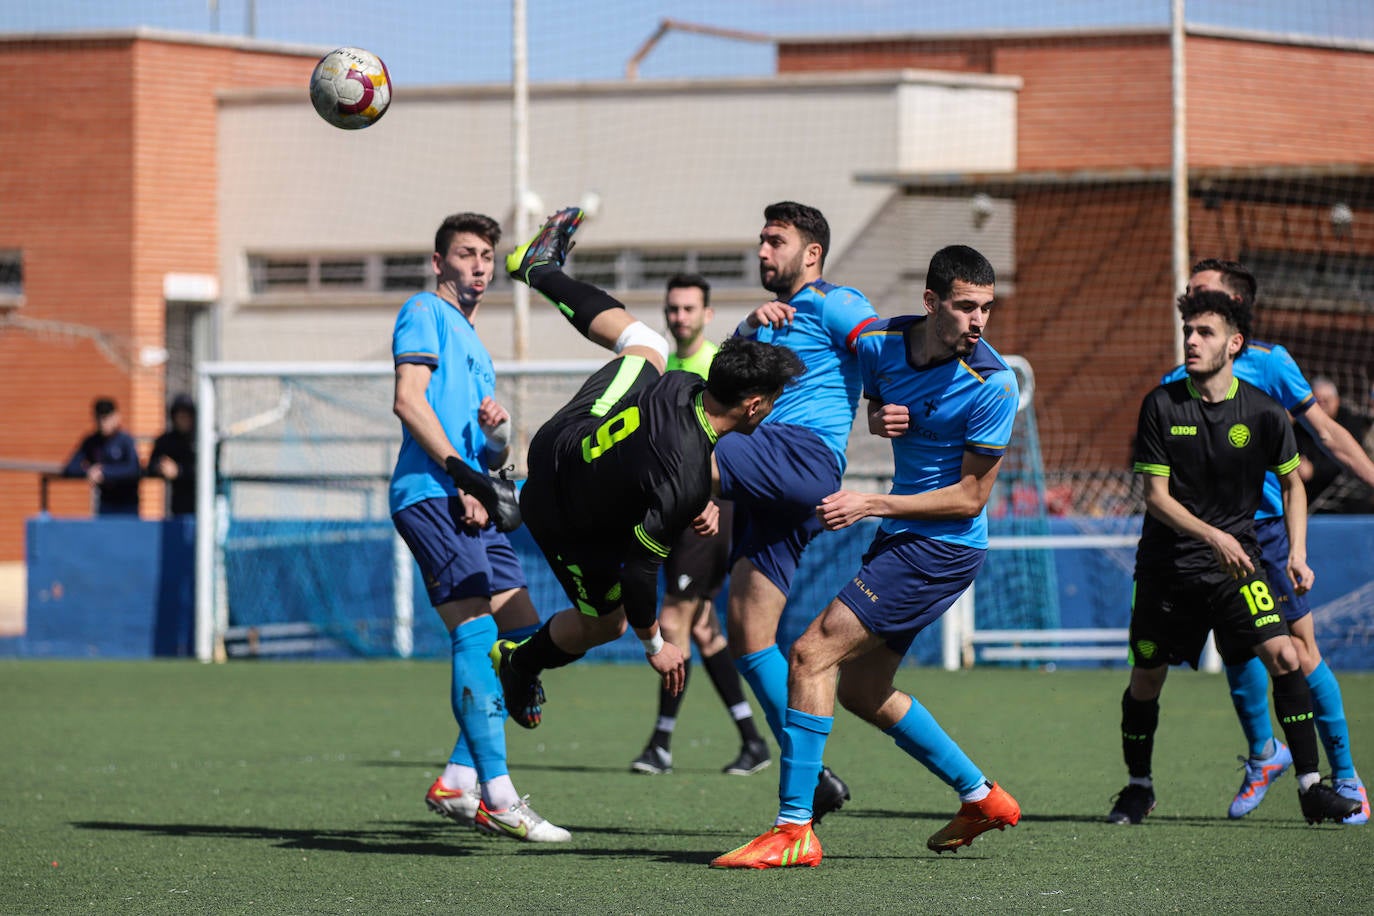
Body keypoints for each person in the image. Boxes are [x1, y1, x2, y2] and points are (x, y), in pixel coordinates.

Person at [712, 245, 1022, 869]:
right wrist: (880, 417)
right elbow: (866, 396)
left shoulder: (993, 383)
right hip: (906, 539)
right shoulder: (879, 346)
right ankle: (983, 796)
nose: (978, 321)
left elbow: (969, 498)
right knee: (863, 688)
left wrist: (871, 504)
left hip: (942, 548)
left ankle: (795, 827)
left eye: (986, 308)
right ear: (931, 303)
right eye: (965, 307)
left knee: (809, 652)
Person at [489, 207, 805, 741]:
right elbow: (638, 576)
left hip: (561, 437)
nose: (772, 409)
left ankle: (540, 269)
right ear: (752, 407)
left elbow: (682, 455)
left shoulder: (684, 387)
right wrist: (656, 646)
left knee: (646, 345)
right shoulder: (682, 484)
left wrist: (693, 495)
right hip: (559, 512)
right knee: (605, 624)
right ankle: (520, 664)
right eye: (771, 402)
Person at [1108, 289, 1360, 828]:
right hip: (1168, 570)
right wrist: (1214, 536)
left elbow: (1293, 486)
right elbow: (1155, 497)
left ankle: (1313, 788)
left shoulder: (1266, 414)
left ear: (1234, 344)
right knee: (1146, 679)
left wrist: (1297, 551)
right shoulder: (1160, 404)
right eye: (1188, 333)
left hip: (1236, 570)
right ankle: (1138, 787)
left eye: (1205, 333)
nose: (1192, 342)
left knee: (1288, 657)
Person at [388, 211, 569, 843]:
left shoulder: (481, 352)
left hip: (471, 498)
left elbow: (491, 457)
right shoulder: (423, 312)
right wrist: (468, 476)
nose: (479, 266)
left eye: (487, 257)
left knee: (522, 642)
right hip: (431, 495)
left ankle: (459, 779)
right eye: (466, 254)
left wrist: (495, 442)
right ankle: (497, 795)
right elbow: (408, 401)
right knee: (477, 633)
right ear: (439, 263)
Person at [716, 201, 880, 824]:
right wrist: (744, 330)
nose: (762, 251)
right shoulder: (765, 321)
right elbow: (722, 386)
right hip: (766, 474)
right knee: (746, 632)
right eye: (760, 240)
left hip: (799, 458)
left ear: (810, 254)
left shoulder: (835, 302)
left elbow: (881, 349)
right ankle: (814, 778)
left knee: (675, 446)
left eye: (774, 241)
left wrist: (885, 408)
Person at [629, 273, 770, 778]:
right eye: (673, 308)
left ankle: (661, 745)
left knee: (673, 620)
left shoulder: (717, 365)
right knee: (705, 629)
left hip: (708, 511)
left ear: (707, 315)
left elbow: (734, 442)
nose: (679, 317)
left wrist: (711, 494)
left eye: (689, 309)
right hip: (678, 509)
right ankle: (753, 741)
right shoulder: (664, 367)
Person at [1295, 377, 1373, 513]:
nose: (1322, 405)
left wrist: (1314, 470)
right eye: (1317, 401)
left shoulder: (1351, 423)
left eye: (1326, 400)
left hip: (1350, 501)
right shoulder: (1300, 426)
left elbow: (1349, 458)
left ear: (1337, 401)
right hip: (1312, 500)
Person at [63, 397, 141, 515]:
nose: (102, 422)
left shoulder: (125, 440)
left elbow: (134, 468)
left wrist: (105, 472)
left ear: (116, 417)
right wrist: (89, 471)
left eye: (106, 418)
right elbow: (70, 468)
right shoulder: (92, 442)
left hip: (128, 504)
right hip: (105, 504)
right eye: (99, 418)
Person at [146, 394, 197, 516]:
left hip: (204, 501)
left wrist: (179, 470)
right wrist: (161, 466)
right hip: (179, 504)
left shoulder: (202, 441)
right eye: (180, 416)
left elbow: (209, 469)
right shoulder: (167, 440)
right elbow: (151, 466)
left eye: (187, 416)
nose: (183, 420)